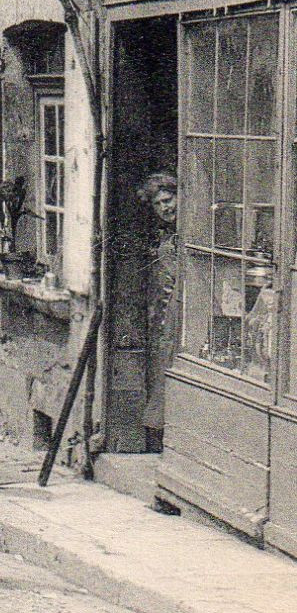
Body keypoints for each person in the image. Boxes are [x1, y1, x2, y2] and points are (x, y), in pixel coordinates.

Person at [137, 172, 179, 451]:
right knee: (160, 370)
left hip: (180, 315)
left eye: (168, 200)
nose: (165, 208)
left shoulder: (188, 233)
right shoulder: (162, 235)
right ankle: (157, 434)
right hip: (162, 316)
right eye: (158, 204)